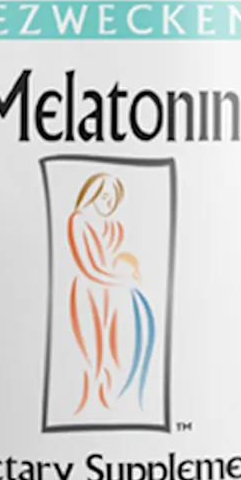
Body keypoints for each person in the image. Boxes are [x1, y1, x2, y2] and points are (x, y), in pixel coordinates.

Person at [67, 173, 154, 415]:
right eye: (104, 197)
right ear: (91, 195)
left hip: (111, 294)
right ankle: (90, 402)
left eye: (112, 199)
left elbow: (115, 259)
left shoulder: (111, 225)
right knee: (91, 350)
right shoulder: (78, 220)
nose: (108, 204)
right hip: (90, 292)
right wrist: (121, 279)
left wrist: (125, 273)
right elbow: (89, 267)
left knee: (114, 347)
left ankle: (111, 399)